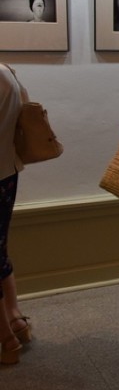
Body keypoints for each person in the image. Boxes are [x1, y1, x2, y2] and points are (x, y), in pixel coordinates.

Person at [0, 64, 32, 365]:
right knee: (0, 248)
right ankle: (15, 319)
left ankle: (5, 340)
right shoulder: (6, 71)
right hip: (7, 172)